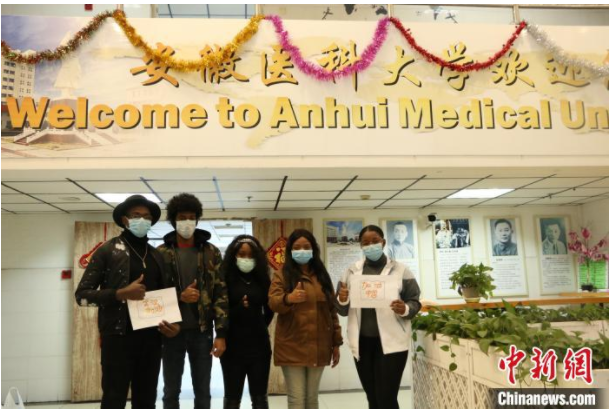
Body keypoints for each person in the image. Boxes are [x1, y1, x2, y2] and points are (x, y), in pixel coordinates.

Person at [75, 195, 180, 409]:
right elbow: (82, 296)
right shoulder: (107, 250)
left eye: (147, 217)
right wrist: (120, 293)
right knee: (114, 399)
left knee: (146, 400)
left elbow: (165, 295)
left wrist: (174, 324)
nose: (142, 220)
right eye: (136, 215)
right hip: (118, 339)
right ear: (125, 220)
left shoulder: (157, 255)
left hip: (152, 339)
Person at [337, 225, 421, 409]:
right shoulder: (350, 272)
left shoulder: (401, 270)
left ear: (383, 242)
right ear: (360, 246)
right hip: (362, 344)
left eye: (375, 241)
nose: (371, 246)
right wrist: (342, 300)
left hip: (392, 344)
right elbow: (341, 310)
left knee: (386, 398)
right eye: (365, 242)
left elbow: (415, 302)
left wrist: (404, 308)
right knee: (373, 397)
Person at [157, 193, 228, 409]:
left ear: (197, 219)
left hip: (202, 331)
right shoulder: (161, 253)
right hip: (171, 331)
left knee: (203, 390)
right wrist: (179, 296)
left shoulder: (210, 252)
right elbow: (153, 294)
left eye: (191, 217)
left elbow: (221, 293)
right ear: (173, 220)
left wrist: (221, 334)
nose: (187, 221)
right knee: (170, 390)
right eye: (182, 217)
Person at [268, 229, 342, 409]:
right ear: (290, 251)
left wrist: (336, 343)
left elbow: (332, 311)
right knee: (297, 399)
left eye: (306, 247)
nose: (302, 250)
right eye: (297, 247)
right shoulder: (282, 274)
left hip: (319, 345)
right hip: (292, 345)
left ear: (313, 249)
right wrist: (289, 298)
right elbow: (273, 303)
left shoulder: (322, 275)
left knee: (311, 399)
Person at [220, 235, 274, 409]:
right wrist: (238, 309)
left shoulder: (263, 279)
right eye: (242, 254)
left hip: (259, 346)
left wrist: (257, 322)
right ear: (233, 255)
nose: (246, 259)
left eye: (251, 255)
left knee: (260, 398)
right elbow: (219, 309)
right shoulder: (224, 278)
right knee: (232, 398)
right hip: (232, 346)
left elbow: (270, 310)